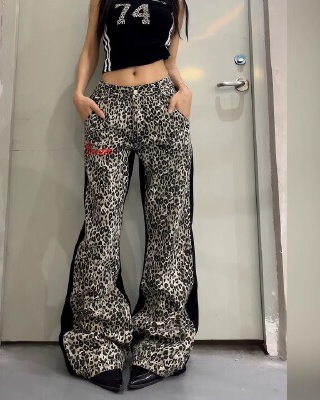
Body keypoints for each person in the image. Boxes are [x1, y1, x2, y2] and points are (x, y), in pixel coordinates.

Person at [58, 0, 199, 392]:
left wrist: (184, 89)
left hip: (162, 104)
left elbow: (170, 58)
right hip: (110, 107)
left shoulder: (175, 1)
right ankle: (96, 340)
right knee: (101, 224)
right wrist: (78, 93)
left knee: (170, 223)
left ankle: (163, 340)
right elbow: (91, 46)